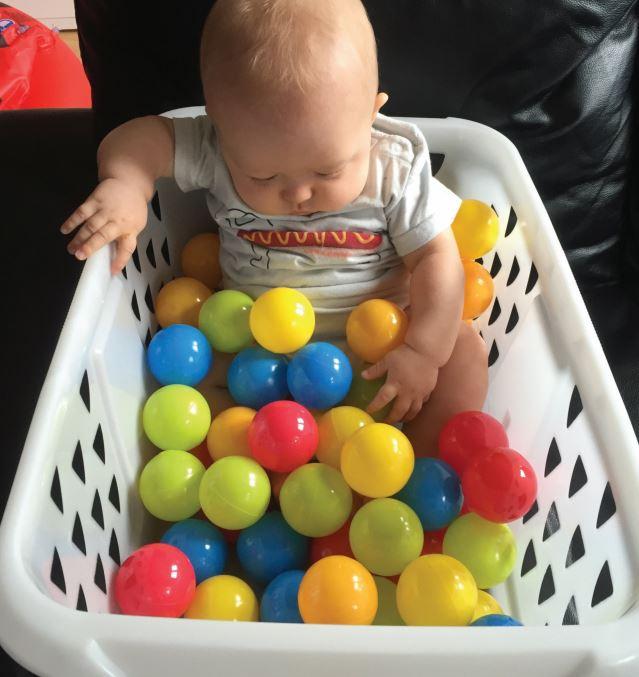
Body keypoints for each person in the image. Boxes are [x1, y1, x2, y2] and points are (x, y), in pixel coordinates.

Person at [60, 0, 487, 454]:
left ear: (372, 114)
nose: (299, 194)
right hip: (258, 362)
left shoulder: (393, 169)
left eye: (327, 172)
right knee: (189, 382)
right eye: (263, 177)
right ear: (219, 131)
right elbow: (139, 137)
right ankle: (262, 478)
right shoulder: (217, 152)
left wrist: (422, 352)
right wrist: (127, 183)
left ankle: (414, 464)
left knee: (462, 352)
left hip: (383, 360)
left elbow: (436, 258)